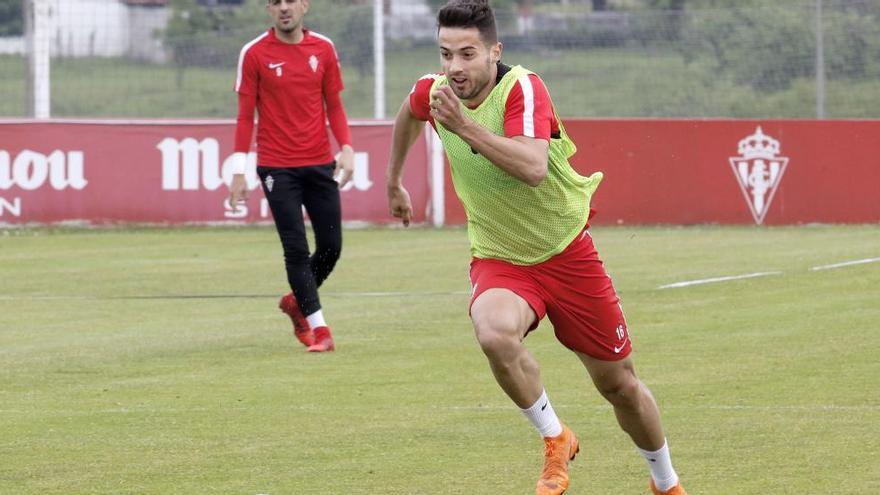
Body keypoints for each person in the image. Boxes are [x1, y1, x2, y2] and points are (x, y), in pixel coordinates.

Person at [385, 1, 688, 493]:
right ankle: (556, 437)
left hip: (567, 253)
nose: (455, 68)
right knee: (494, 333)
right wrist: (393, 181)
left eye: (467, 54)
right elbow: (409, 112)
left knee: (620, 386)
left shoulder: (522, 88)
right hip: (501, 256)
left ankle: (665, 480)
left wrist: (465, 127)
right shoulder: (435, 92)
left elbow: (532, 168)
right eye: (446, 55)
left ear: (494, 51)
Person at [228, 0, 354, 353]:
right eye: (275, 2)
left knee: (331, 247)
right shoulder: (253, 53)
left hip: (318, 163)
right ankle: (321, 329)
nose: (284, 8)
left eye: (290, 1)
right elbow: (243, 117)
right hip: (276, 167)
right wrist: (239, 172)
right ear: (269, 9)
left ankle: (296, 302)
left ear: (304, 6)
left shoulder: (324, 48)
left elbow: (335, 104)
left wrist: (346, 146)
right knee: (295, 248)